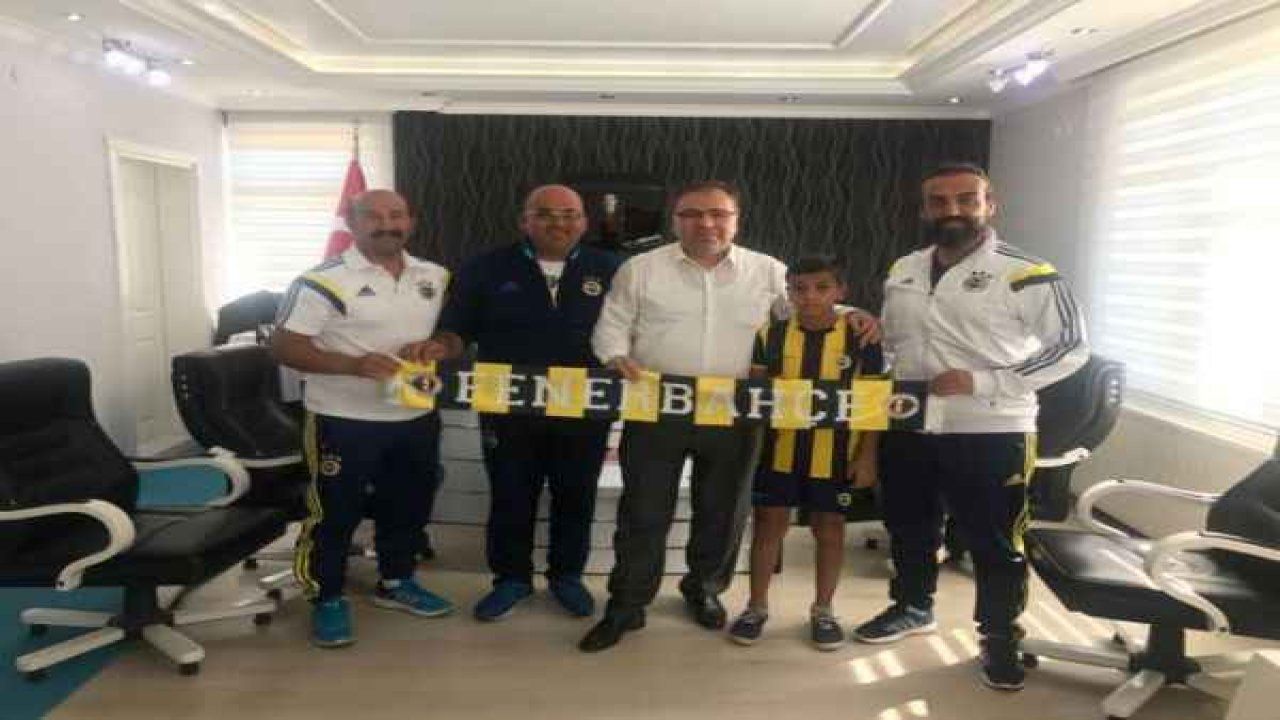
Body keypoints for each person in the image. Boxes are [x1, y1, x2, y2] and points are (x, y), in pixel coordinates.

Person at [580, 180, 878, 652]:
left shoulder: (766, 270)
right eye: (692, 214)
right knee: (643, 511)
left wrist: (855, 313)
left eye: (718, 214)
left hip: (737, 413)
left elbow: (809, 306)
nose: (706, 223)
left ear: (736, 221)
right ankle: (627, 603)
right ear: (675, 220)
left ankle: (704, 589)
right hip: (658, 408)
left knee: (722, 512)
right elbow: (611, 325)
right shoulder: (640, 269)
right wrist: (615, 355)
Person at [850, 163, 1088, 692]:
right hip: (911, 423)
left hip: (992, 428)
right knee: (909, 525)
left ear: (989, 205)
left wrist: (983, 381)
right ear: (924, 209)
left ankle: (1001, 637)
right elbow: (898, 343)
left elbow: (1072, 347)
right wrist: (868, 329)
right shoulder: (905, 268)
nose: (952, 210)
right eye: (938, 201)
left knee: (994, 539)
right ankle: (912, 606)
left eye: (966, 199)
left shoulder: (1026, 272)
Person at [430, 185, 623, 621]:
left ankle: (566, 577)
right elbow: (457, 328)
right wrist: (441, 346)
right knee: (511, 496)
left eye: (569, 214)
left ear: (584, 222)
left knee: (576, 495)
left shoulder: (613, 269)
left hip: (584, 408)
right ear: (525, 221)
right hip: (508, 409)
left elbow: (632, 330)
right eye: (546, 214)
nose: (559, 223)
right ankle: (511, 580)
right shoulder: (485, 268)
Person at [273, 189, 455, 648]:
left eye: (396, 215)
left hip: (414, 414)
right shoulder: (321, 281)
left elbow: (454, 333)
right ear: (352, 224)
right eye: (372, 216)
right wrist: (352, 365)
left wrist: (439, 345)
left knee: (409, 504)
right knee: (335, 512)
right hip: (342, 418)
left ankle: (396, 581)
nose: (386, 224)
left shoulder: (434, 275)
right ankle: (326, 595)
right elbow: (284, 346)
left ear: (410, 222)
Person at [727, 255, 883, 651]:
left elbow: (875, 401)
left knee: (829, 529)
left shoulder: (862, 337)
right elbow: (757, 398)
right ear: (789, 292)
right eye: (799, 289)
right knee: (768, 527)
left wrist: (867, 456)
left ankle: (823, 609)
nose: (810, 296)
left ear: (840, 291)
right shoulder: (771, 335)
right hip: (778, 452)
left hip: (836, 453)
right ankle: (756, 607)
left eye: (822, 288)